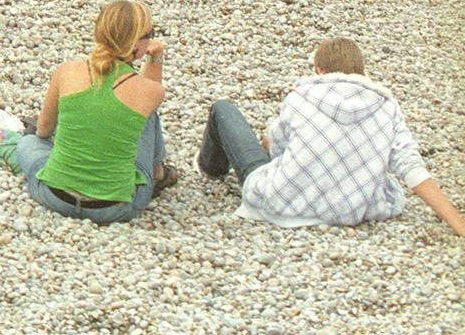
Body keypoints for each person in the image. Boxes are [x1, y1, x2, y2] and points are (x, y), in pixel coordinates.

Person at [199, 37, 465, 236]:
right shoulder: (386, 105)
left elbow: (277, 151)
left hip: (282, 203)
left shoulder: (300, 96)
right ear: (361, 72)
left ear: (319, 70)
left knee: (224, 110)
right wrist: (458, 224)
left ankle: (210, 168)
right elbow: (413, 171)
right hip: (350, 210)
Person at [14, 0, 175, 224]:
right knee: (145, 117)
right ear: (137, 43)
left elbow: (43, 130)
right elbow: (146, 102)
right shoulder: (151, 91)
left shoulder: (66, 71)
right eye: (150, 33)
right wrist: (155, 57)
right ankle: (158, 173)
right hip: (115, 208)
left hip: (56, 197)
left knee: (27, 143)